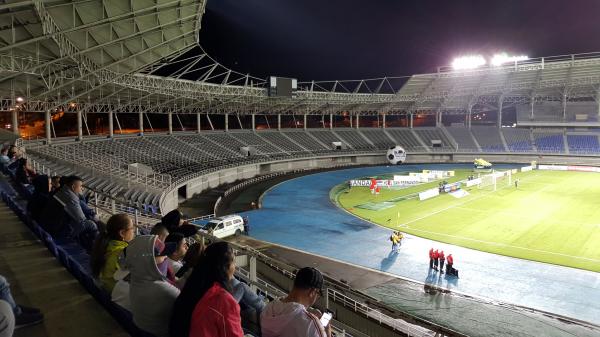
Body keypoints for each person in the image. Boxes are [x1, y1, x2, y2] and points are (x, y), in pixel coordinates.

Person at [170, 241, 244, 337]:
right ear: (226, 267)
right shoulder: (224, 301)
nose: (234, 268)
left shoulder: (192, 285)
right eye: (234, 262)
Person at [125, 235, 179, 337]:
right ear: (149, 263)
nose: (166, 257)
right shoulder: (162, 290)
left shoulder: (136, 279)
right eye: (163, 255)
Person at [261, 267, 331, 337]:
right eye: (318, 294)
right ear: (312, 292)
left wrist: (306, 315)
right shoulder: (311, 325)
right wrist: (327, 333)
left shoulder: (269, 308)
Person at [40, 175, 99, 250]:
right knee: (91, 224)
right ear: (73, 187)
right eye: (80, 186)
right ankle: (98, 249)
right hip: (57, 233)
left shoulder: (62, 191)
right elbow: (81, 220)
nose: (82, 188)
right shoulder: (71, 198)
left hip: (49, 226)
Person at [90, 214, 135, 292]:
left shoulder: (106, 245)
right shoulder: (122, 253)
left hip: (108, 288)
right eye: (132, 228)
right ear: (122, 233)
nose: (133, 231)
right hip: (116, 293)